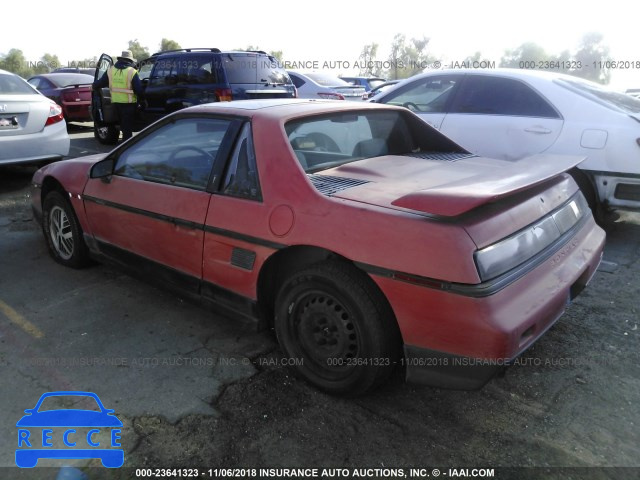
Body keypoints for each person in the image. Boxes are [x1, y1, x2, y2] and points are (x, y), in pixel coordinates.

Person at [93, 50, 144, 142]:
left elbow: (101, 82)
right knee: (127, 127)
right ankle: (126, 146)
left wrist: (93, 86)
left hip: (116, 102)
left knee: (122, 124)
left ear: (120, 59)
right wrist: (142, 100)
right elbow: (139, 90)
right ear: (130, 60)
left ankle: (124, 144)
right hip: (129, 103)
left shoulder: (111, 70)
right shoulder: (132, 71)